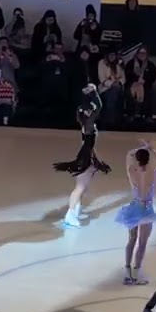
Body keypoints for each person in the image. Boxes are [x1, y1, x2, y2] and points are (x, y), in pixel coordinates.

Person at [52, 84, 111, 228]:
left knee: (82, 187)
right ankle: (70, 214)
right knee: (80, 188)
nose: (93, 112)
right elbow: (99, 106)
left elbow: (90, 145)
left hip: (87, 156)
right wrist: (94, 92)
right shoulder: (89, 124)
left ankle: (75, 209)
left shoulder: (86, 122)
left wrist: (96, 160)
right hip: (85, 158)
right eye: (90, 110)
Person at [116, 141, 156, 284]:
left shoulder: (131, 170)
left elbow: (128, 154)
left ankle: (127, 272)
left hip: (134, 207)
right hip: (147, 210)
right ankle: (136, 274)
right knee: (142, 243)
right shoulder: (153, 172)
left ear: (137, 159)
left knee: (132, 239)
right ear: (148, 159)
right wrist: (151, 148)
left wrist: (142, 147)